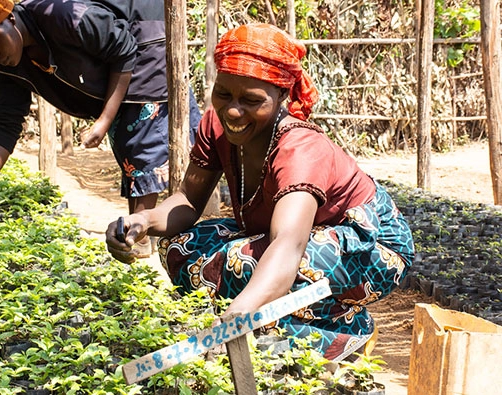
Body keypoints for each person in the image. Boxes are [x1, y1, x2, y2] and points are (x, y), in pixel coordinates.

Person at [105, 23, 414, 361]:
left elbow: (288, 245)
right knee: (181, 248)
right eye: (223, 94)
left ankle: (343, 332)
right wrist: (143, 220)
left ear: (281, 96)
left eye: (252, 100)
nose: (233, 111)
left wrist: (239, 315)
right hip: (299, 237)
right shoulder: (215, 124)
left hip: (372, 245)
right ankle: (267, 339)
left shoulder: (299, 147)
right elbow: (188, 202)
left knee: (246, 266)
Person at [0, 0, 201, 255]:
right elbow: (5, 122)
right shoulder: (10, 67)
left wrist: (104, 120)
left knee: (140, 137)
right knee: (131, 148)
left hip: (146, 37)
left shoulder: (66, 16)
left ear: (10, 19)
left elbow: (124, 48)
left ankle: (145, 236)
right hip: (122, 57)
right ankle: (141, 236)